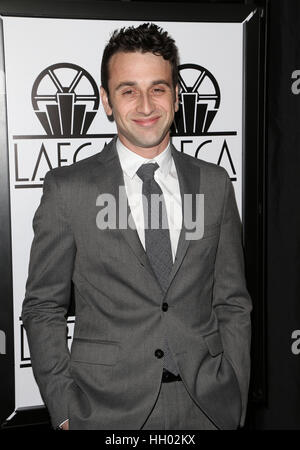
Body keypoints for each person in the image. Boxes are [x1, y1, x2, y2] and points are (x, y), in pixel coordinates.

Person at [22, 23, 252, 430]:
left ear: (177, 97)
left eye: (158, 89)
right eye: (128, 90)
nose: (146, 105)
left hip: (207, 408)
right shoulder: (68, 189)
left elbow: (232, 302)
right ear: (107, 102)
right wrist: (65, 413)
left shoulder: (215, 184)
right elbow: (43, 307)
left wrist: (234, 392)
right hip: (106, 410)